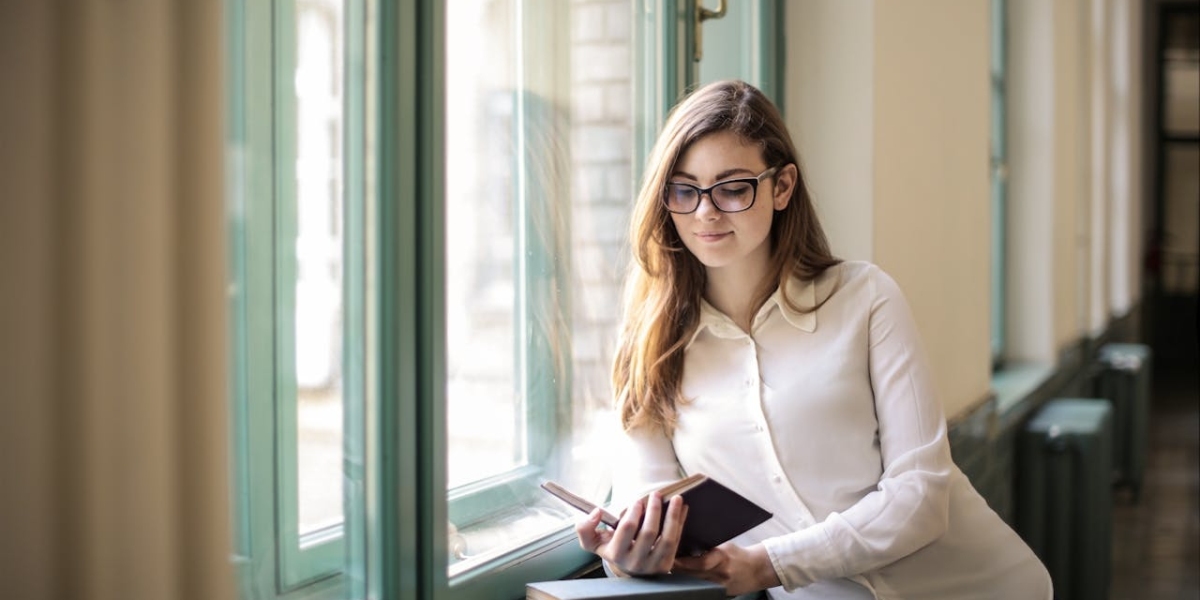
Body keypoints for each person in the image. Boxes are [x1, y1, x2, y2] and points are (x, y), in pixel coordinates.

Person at [572, 79, 1052, 599]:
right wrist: (629, 559)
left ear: (782, 187)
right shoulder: (652, 348)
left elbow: (921, 494)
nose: (705, 212)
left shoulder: (865, 298)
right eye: (684, 190)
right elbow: (650, 510)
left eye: (733, 187)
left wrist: (770, 564)